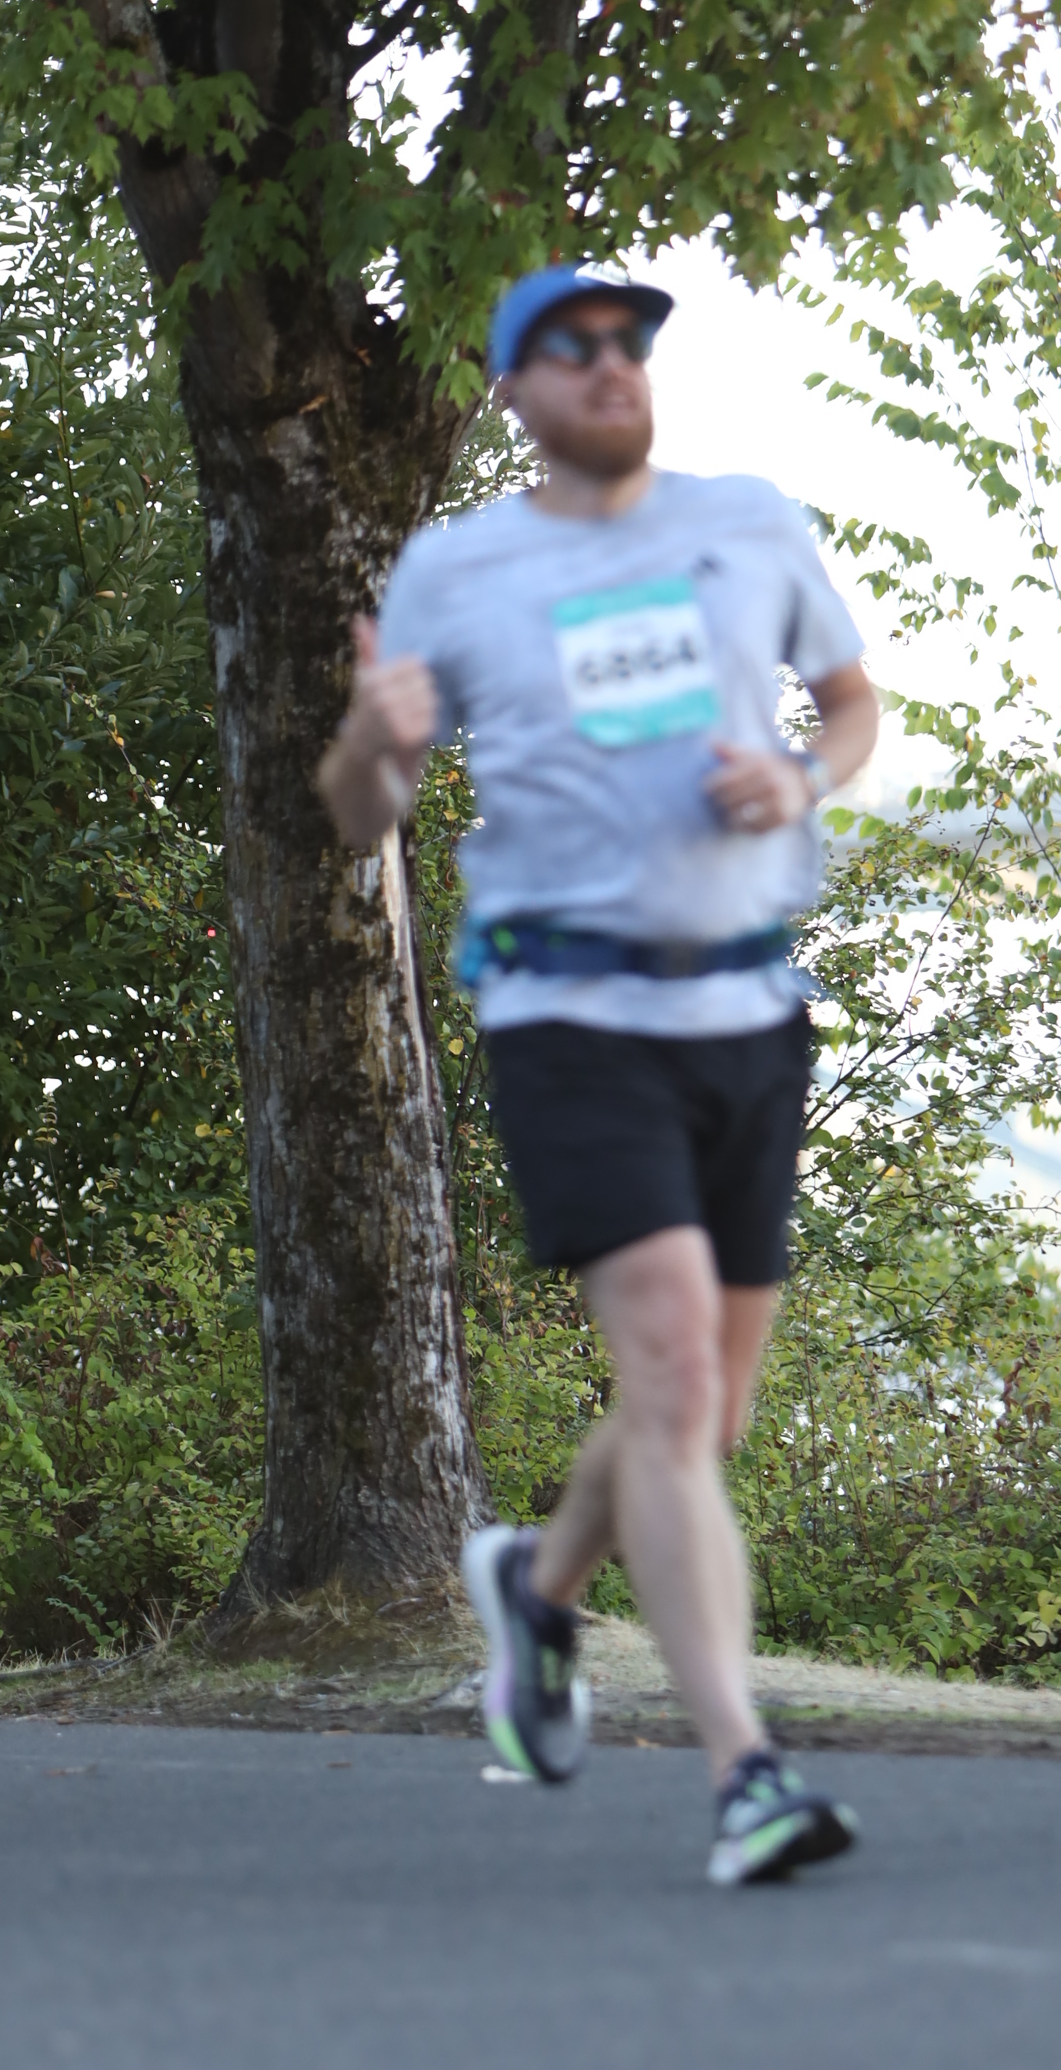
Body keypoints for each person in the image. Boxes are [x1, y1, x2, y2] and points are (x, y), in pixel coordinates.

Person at [320, 266, 881, 1887]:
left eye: (628, 341)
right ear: (510, 391)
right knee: (677, 1382)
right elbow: (359, 813)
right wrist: (369, 736)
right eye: (569, 348)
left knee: (700, 1410)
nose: (610, 364)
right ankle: (746, 1775)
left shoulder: (749, 522)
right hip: (570, 1012)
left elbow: (851, 709)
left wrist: (801, 776)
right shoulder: (460, 569)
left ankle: (539, 1590)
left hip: (746, 1005)